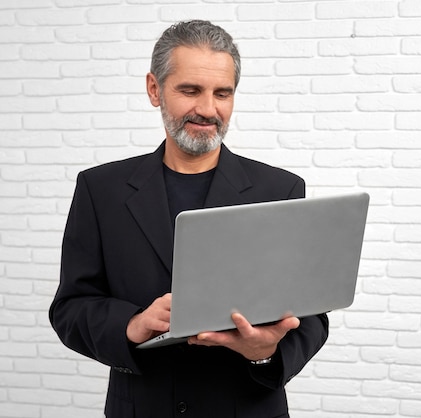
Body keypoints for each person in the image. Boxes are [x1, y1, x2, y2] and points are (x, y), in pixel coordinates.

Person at [49, 20, 329, 418]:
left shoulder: (280, 189)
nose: (207, 109)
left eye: (222, 93)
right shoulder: (101, 189)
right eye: (190, 90)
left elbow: (313, 314)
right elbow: (71, 307)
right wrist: (131, 324)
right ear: (154, 89)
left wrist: (266, 352)